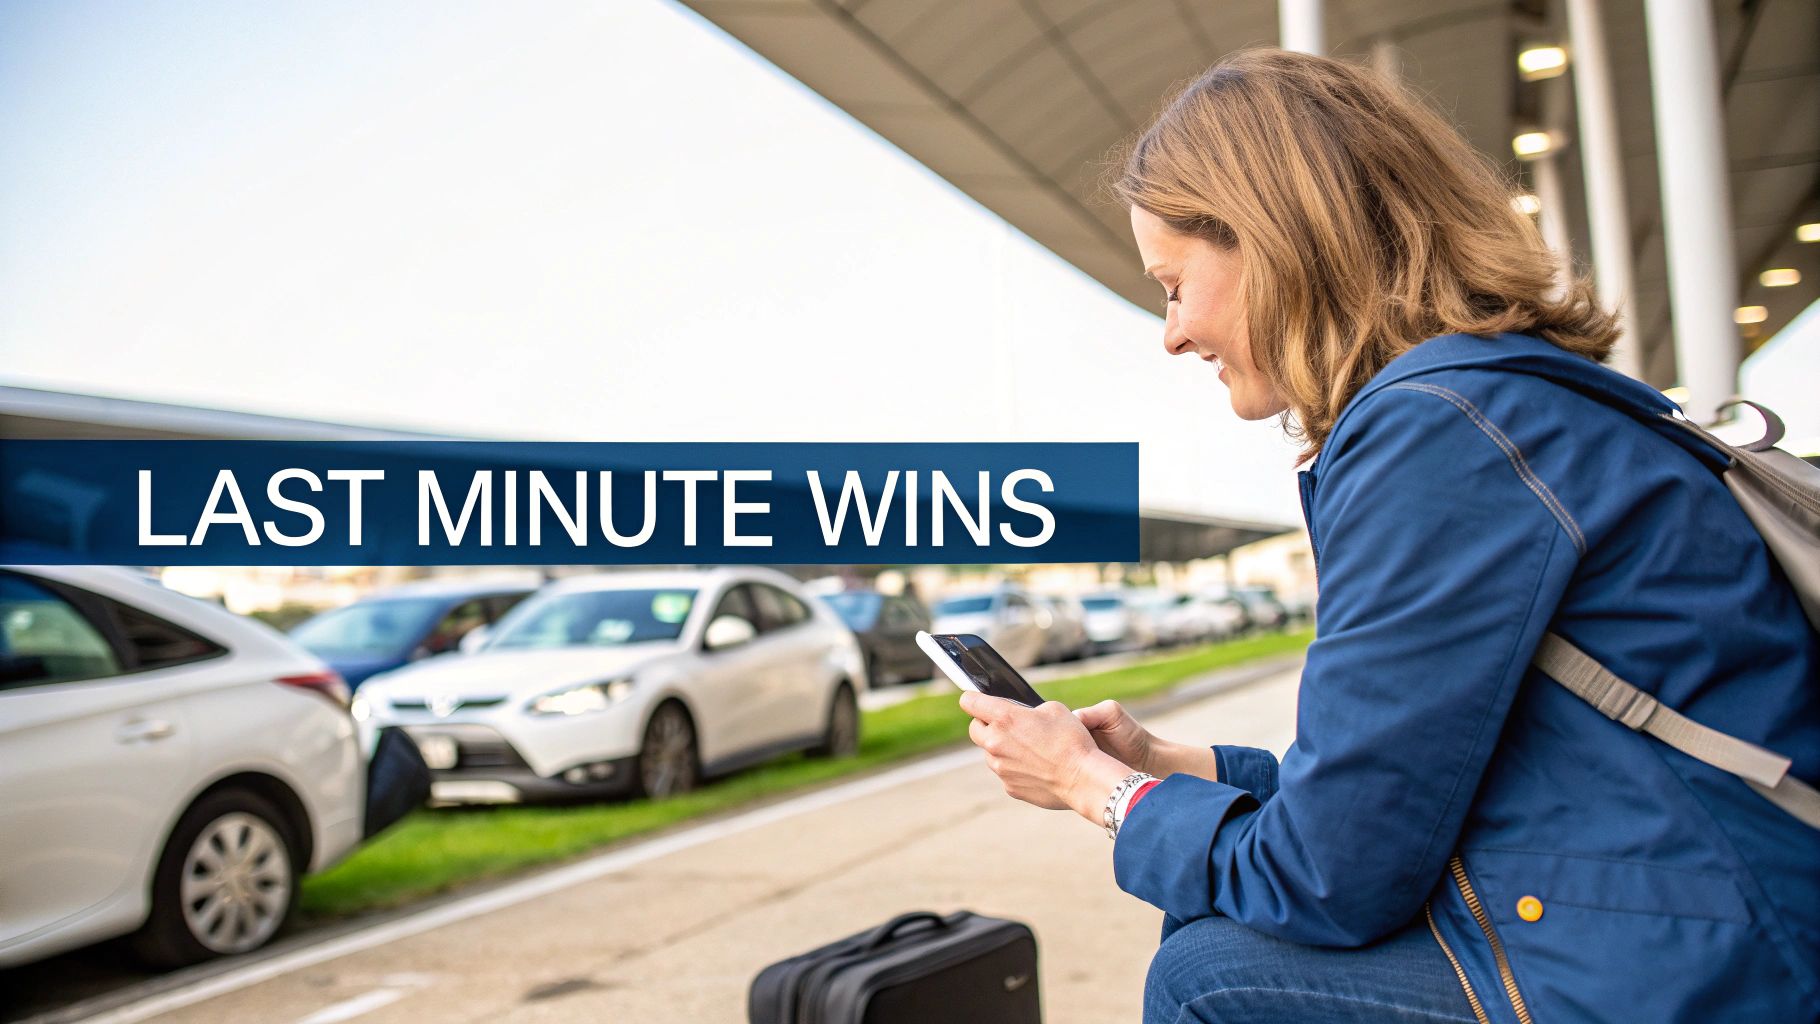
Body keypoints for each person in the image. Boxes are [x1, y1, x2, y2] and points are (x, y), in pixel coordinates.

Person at [959, 49, 1819, 1023]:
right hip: (1701, 903)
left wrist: (1095, 789)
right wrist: (1163, 762)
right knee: (1218, 933)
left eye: (1170, 284)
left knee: (1209, 979)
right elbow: (1394, 800)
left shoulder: (1438, 437)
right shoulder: (1501, 400)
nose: (1172, 333)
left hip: (1717, 962)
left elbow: (1329, 873)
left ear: (1270, 240)